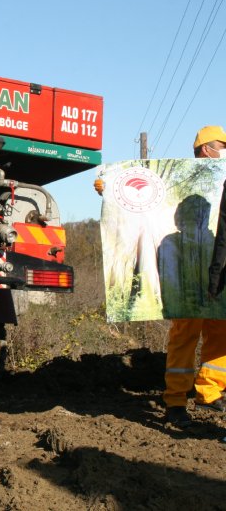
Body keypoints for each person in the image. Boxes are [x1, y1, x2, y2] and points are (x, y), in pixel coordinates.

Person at [97, 125, 226, 426]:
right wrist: (111, 187)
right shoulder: (176, 178)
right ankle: (176, 401)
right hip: (187, 283)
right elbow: (138, 204)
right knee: (185, 337)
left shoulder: (220, 180)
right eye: (222, 145)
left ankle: (209, 390)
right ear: (207, 148)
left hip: (219, 275)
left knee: (222, 334)